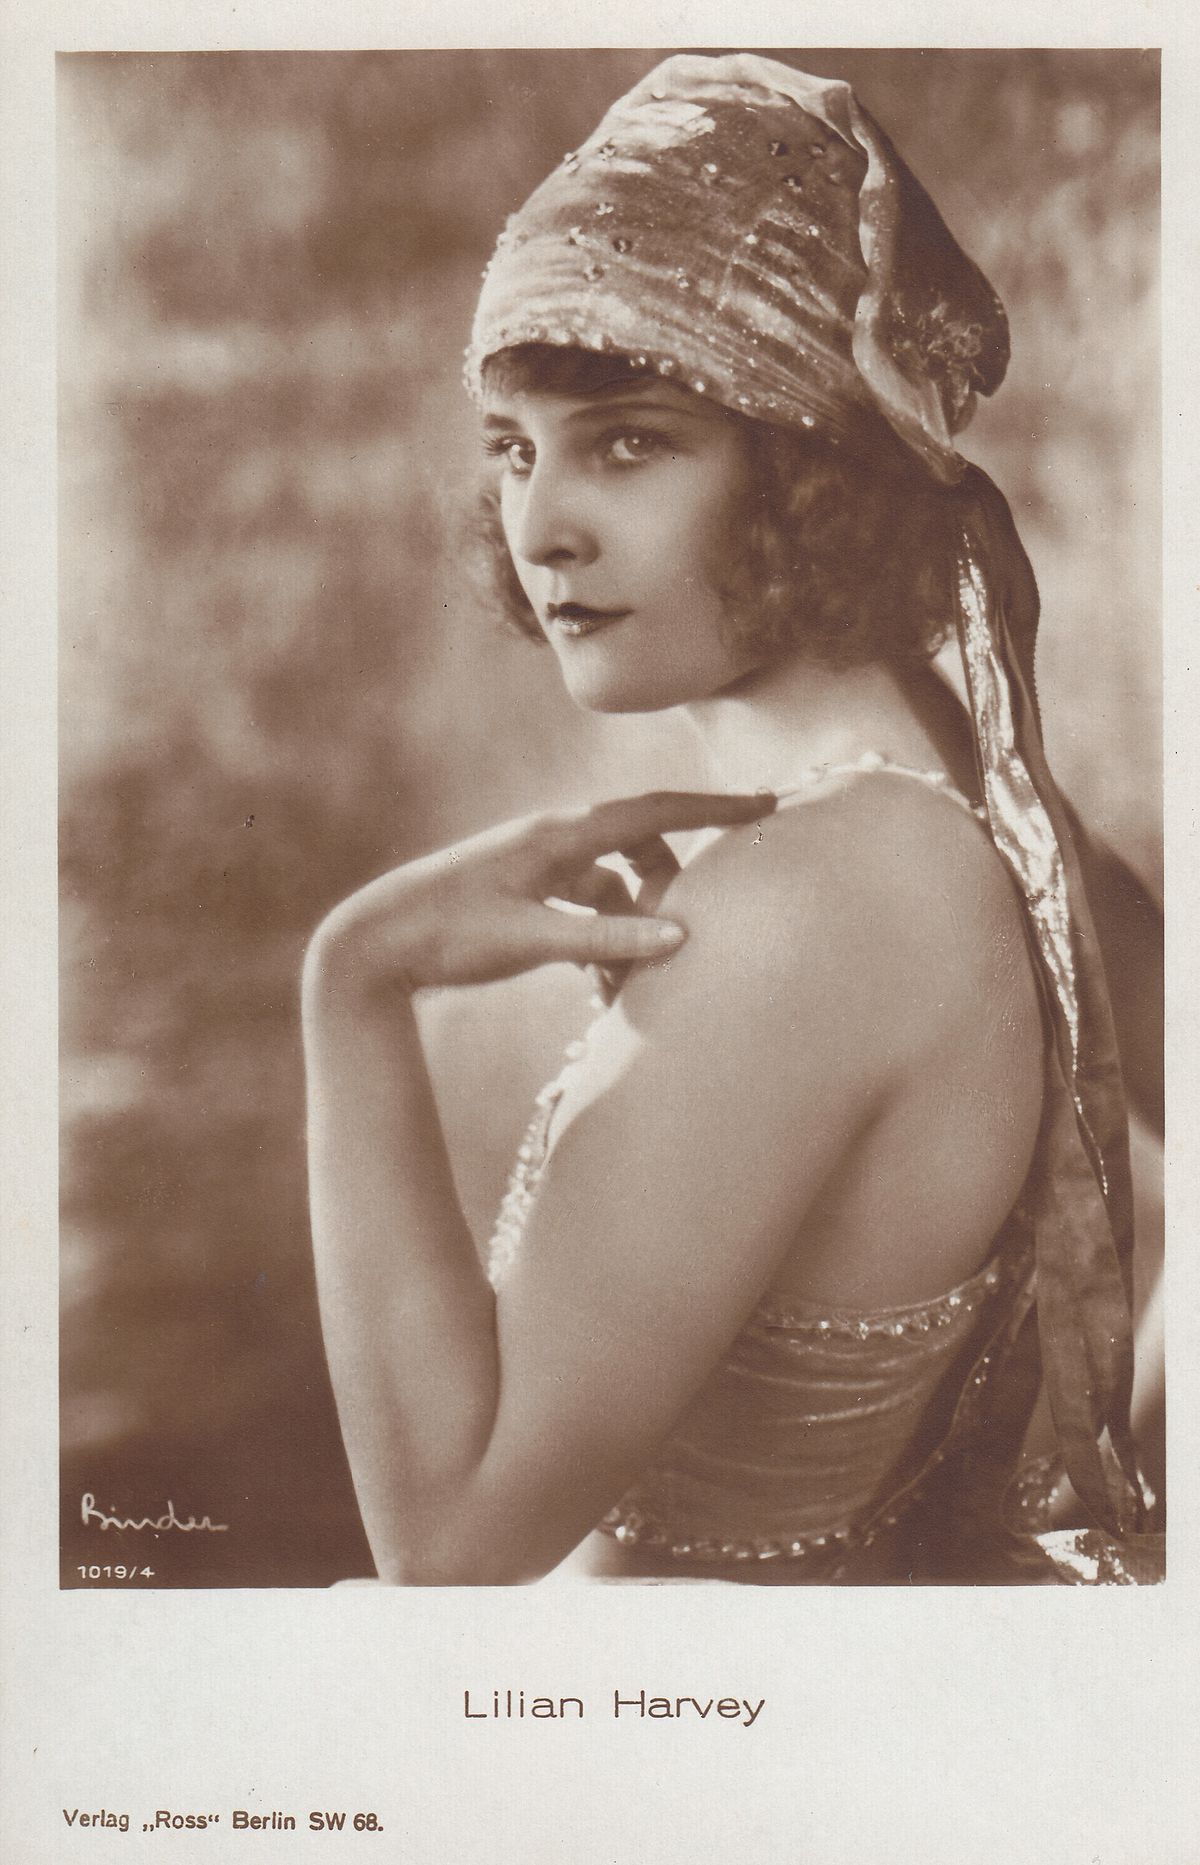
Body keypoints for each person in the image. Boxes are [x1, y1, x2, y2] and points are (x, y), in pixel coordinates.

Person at [303, 53, 1160, 1584]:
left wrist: (355, 982)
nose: (542, 526)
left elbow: (446, 1550)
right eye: (515, 446)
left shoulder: (811, 896)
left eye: (629, 440)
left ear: (807, 475)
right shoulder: (975, 790)